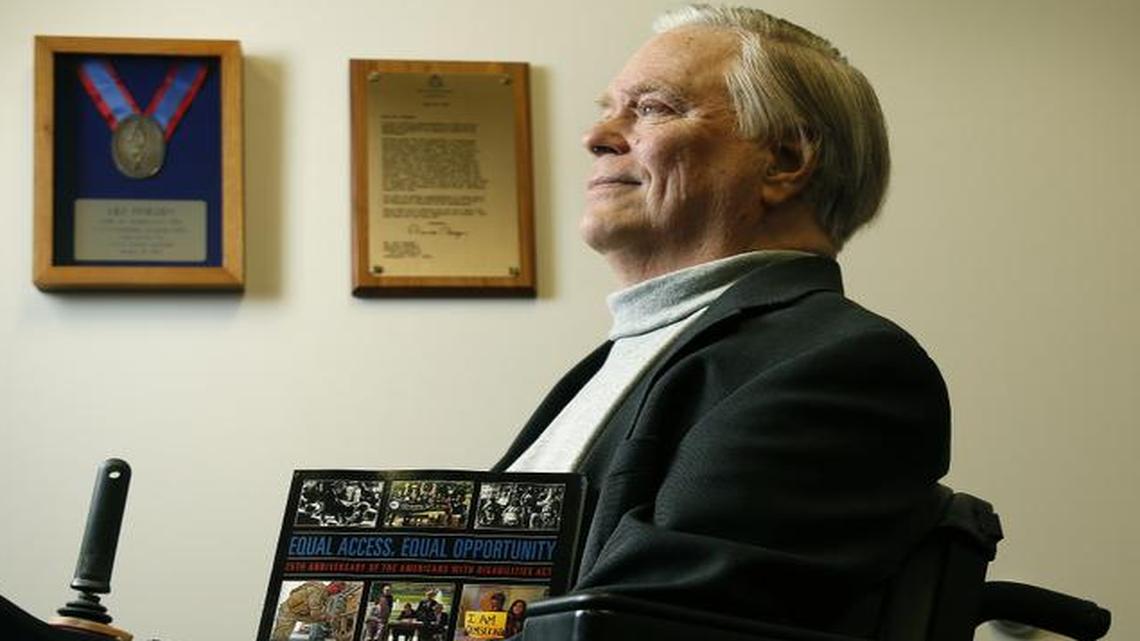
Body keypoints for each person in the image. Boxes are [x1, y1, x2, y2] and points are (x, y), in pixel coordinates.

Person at [495, 4, 949, 635]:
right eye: (610, 106)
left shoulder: (840, 367)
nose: (596, 135)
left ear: (786, 161)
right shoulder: (619, 360)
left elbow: (647, 626)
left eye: (652, 107)